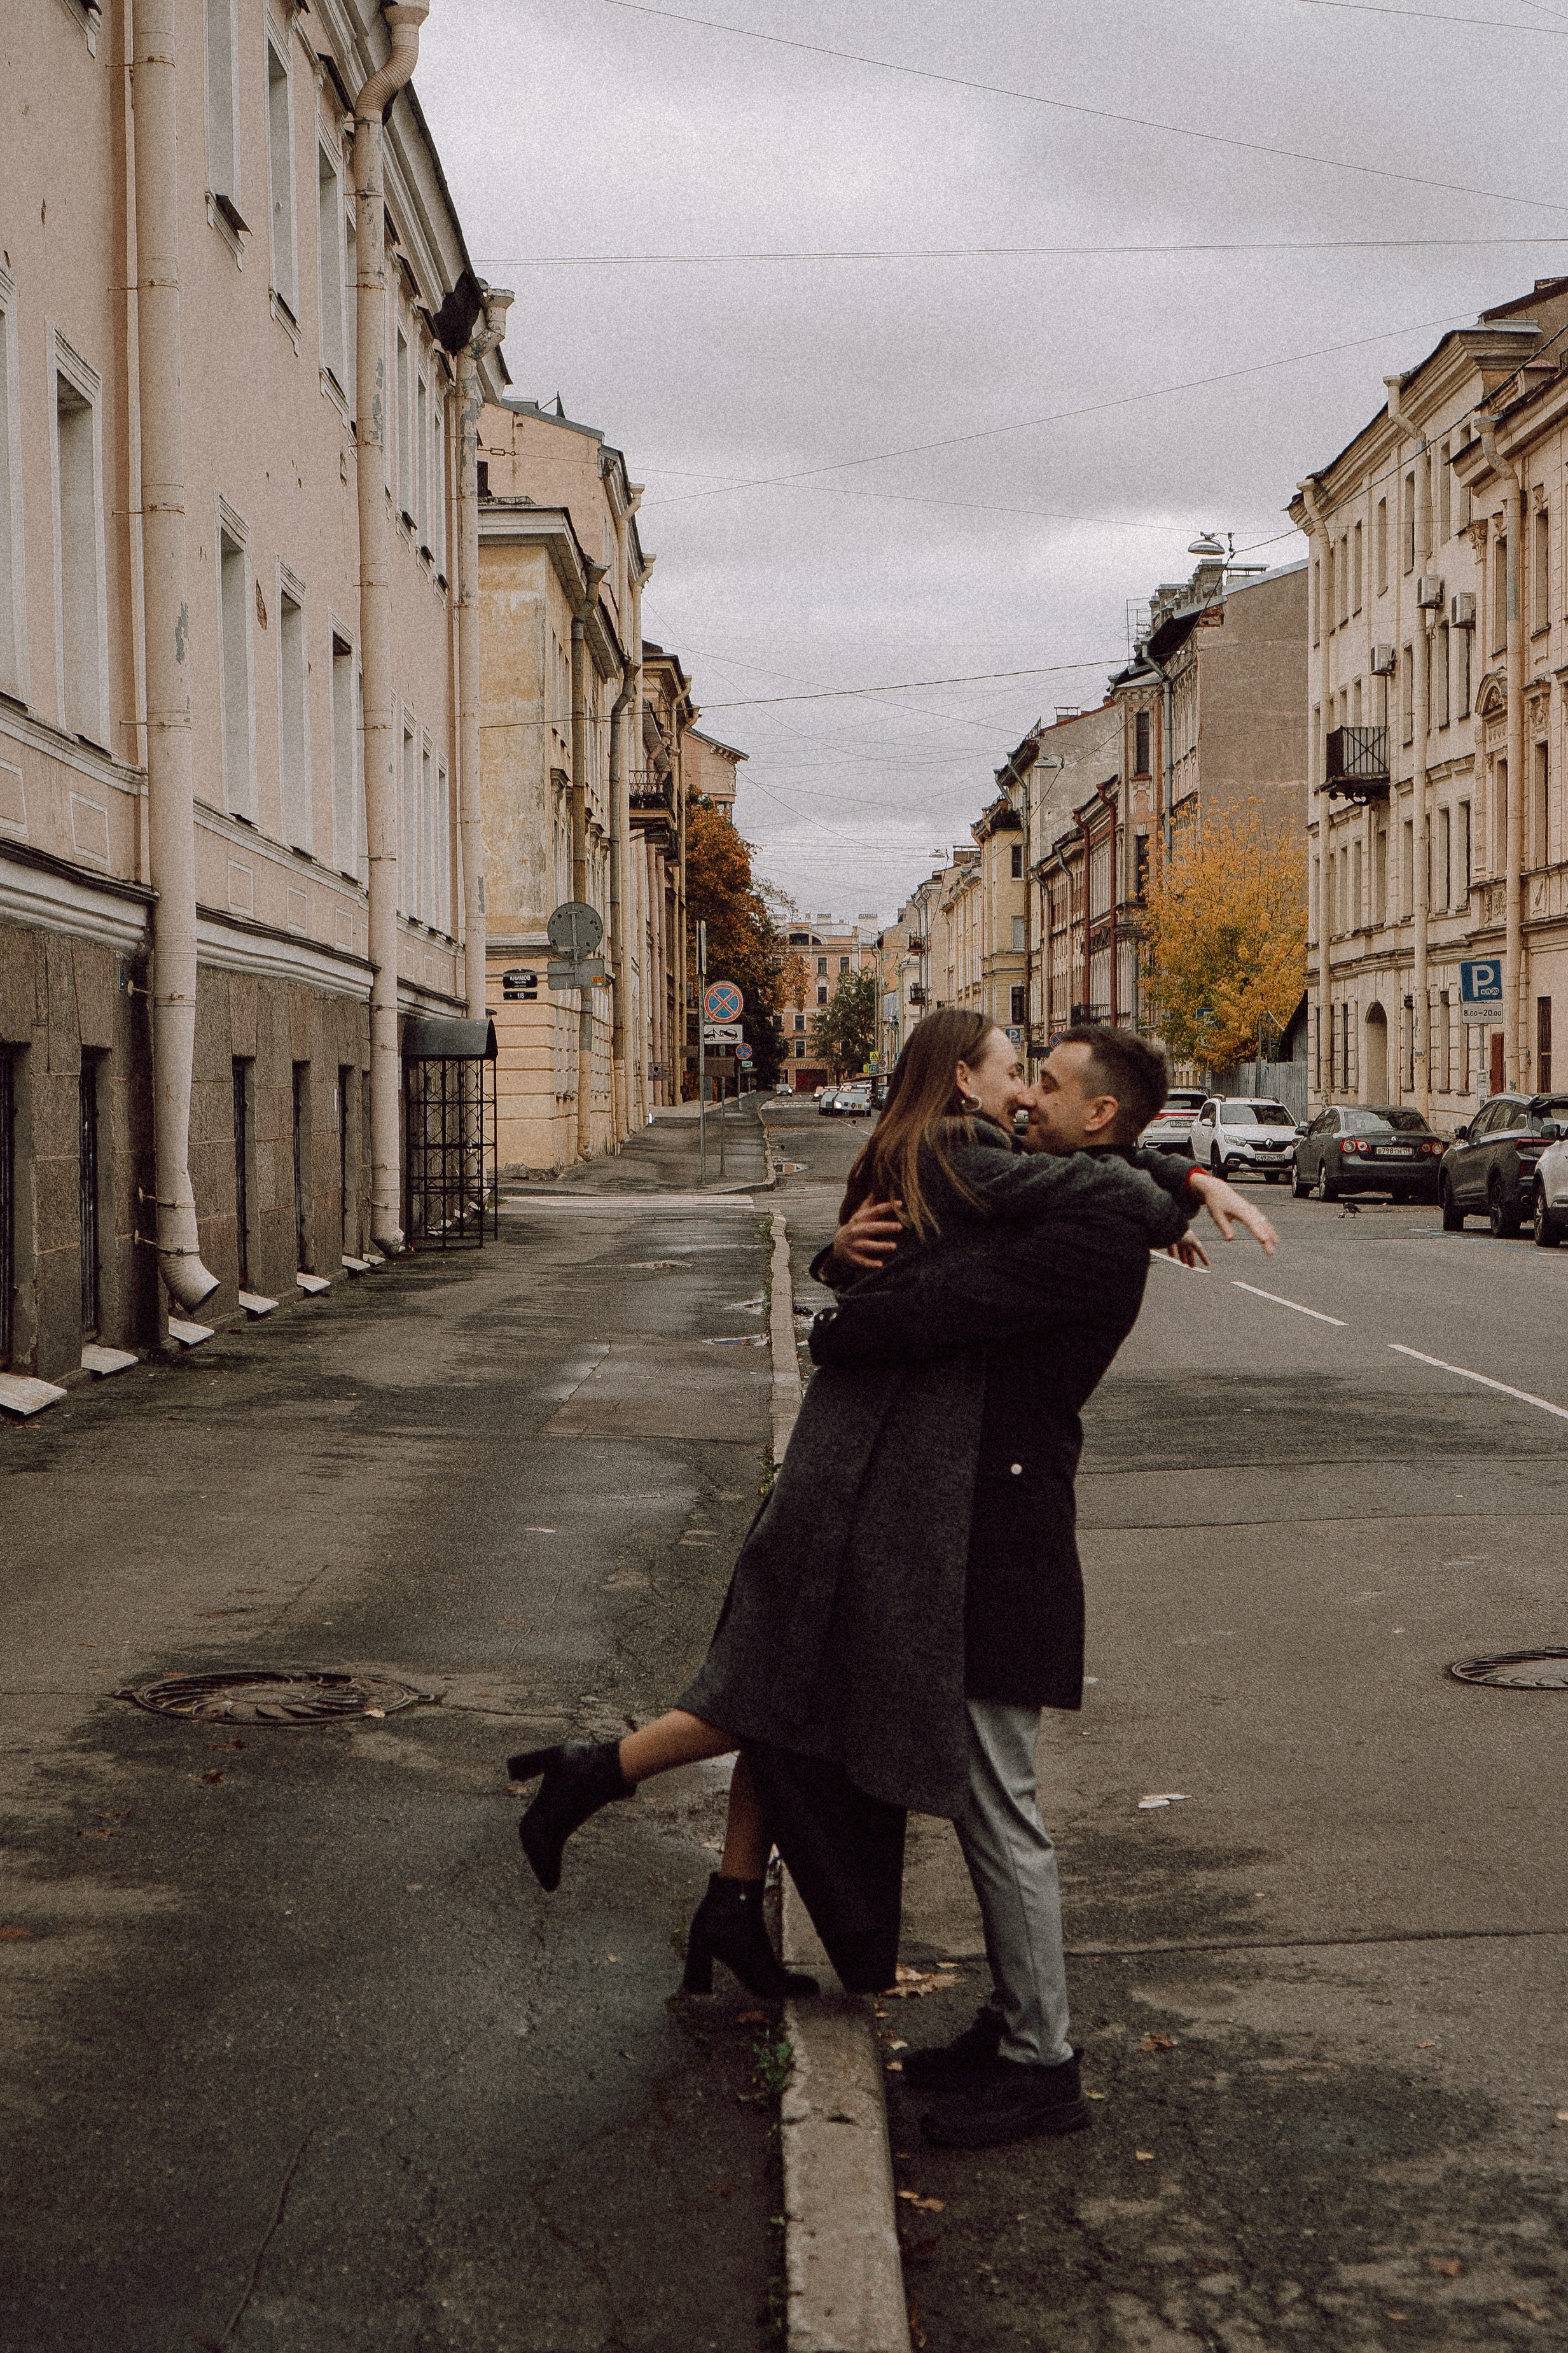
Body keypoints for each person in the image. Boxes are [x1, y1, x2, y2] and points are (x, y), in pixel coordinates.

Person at [505, 1014, 1271, 2017]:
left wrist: (1170, 1184)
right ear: (961, 1079)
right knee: (780, 1681)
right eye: (1014, 1072)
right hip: (862, 1465)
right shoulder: (959, 1152)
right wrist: (1172, 1186)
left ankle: (726, 1898)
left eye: (1038, 1080)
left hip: (877, 1460)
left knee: (791, 1689)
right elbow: (956, 1268)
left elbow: (965, 1253)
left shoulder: (950, 1155)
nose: (1023, 1092)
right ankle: (597, 1772)